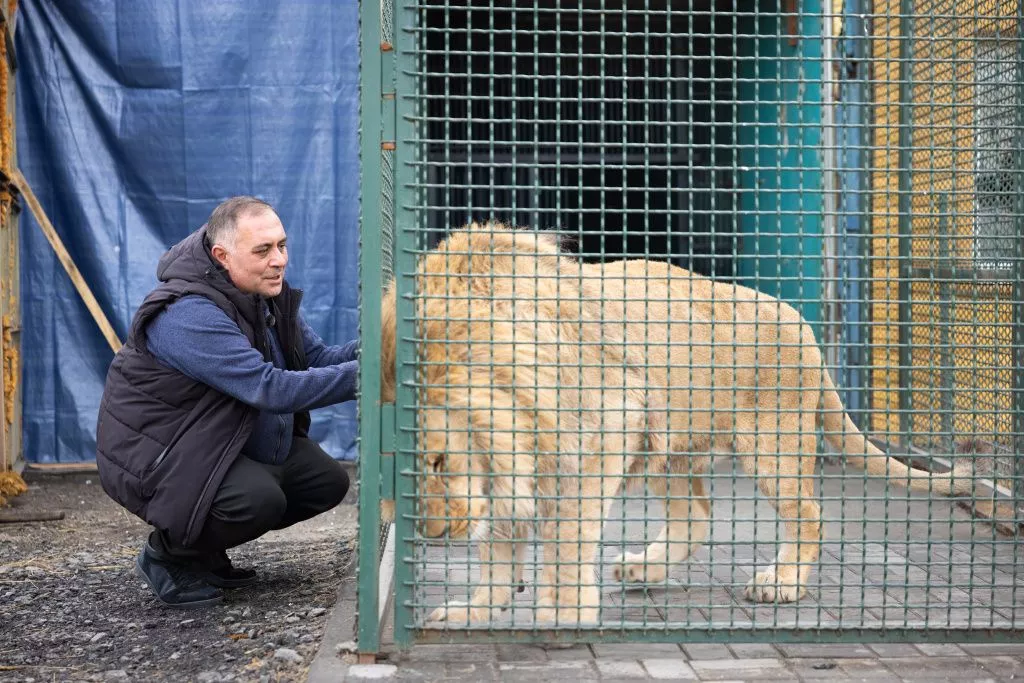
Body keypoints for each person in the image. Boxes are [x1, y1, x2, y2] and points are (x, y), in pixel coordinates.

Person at [96, 196, 357, 609]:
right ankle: (169, 554)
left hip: (213, 440)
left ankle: (205, 551)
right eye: (263, 250)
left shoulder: (262, 291)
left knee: (325, 482)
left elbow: (318, 359)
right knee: (256, 501)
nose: (279, 260)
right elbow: (268, 388)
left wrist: (384, 350)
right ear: (222, 256)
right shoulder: (188, 313)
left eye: (282, 245)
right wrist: (376, 375)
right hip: (161, 457)